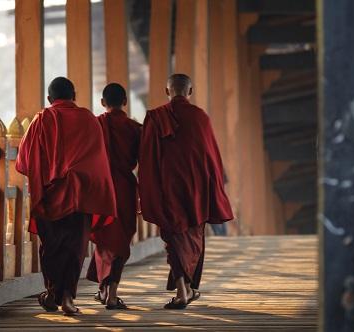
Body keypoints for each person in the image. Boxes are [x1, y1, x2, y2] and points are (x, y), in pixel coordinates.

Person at [16, 77, 117, 316]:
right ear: (74, 95)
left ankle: (53, 293)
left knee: (51, 247)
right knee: (75, 247)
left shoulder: (42, 119)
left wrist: (50, 172)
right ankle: (68, 298)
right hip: (80, 195)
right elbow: (97, 161)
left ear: (50, 99)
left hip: (50, 196)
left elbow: (24, 161)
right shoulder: (89, 120)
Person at [138, 73, 234, 309]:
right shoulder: (201, 117)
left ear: (167, 91)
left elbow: (147, 159)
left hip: (168, 189)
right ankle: (185, 291)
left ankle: (185, 290)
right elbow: (212, 159)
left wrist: (146, 192)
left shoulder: (155, 117)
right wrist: (215, 191)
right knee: (193, 238)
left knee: (173, 238)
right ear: (189, 92)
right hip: (196, 191)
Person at [87, 83, 142, 310]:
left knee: (104, 238)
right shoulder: (135, 128)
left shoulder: (95, 126)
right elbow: (148, 161)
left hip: (101, 189)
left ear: (102, 103)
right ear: (125, 102)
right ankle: (110, 293)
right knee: (120, 240)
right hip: (126, 188)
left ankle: (105, 290)